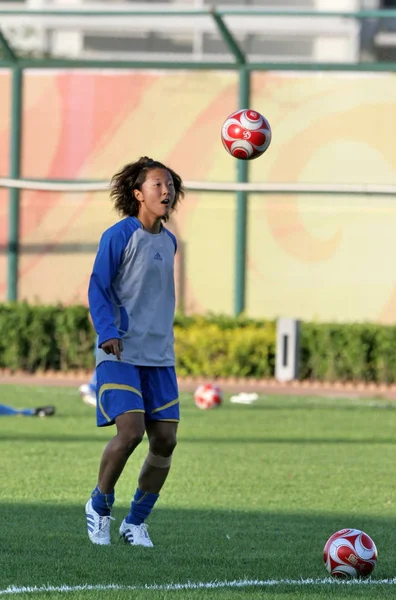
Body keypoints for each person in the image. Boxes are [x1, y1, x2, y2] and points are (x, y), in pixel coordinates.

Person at [85, 156, 184, 547]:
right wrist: (107, 331)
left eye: (170, 185)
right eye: (158, 185)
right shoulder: (119, 234)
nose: (166, 191)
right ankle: (99, 506)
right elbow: (98, 286)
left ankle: (136, 522)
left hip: (159, 357)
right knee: (130, 433)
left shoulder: (170, 240)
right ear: (138, 194)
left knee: (166, 441)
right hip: (120, 353)